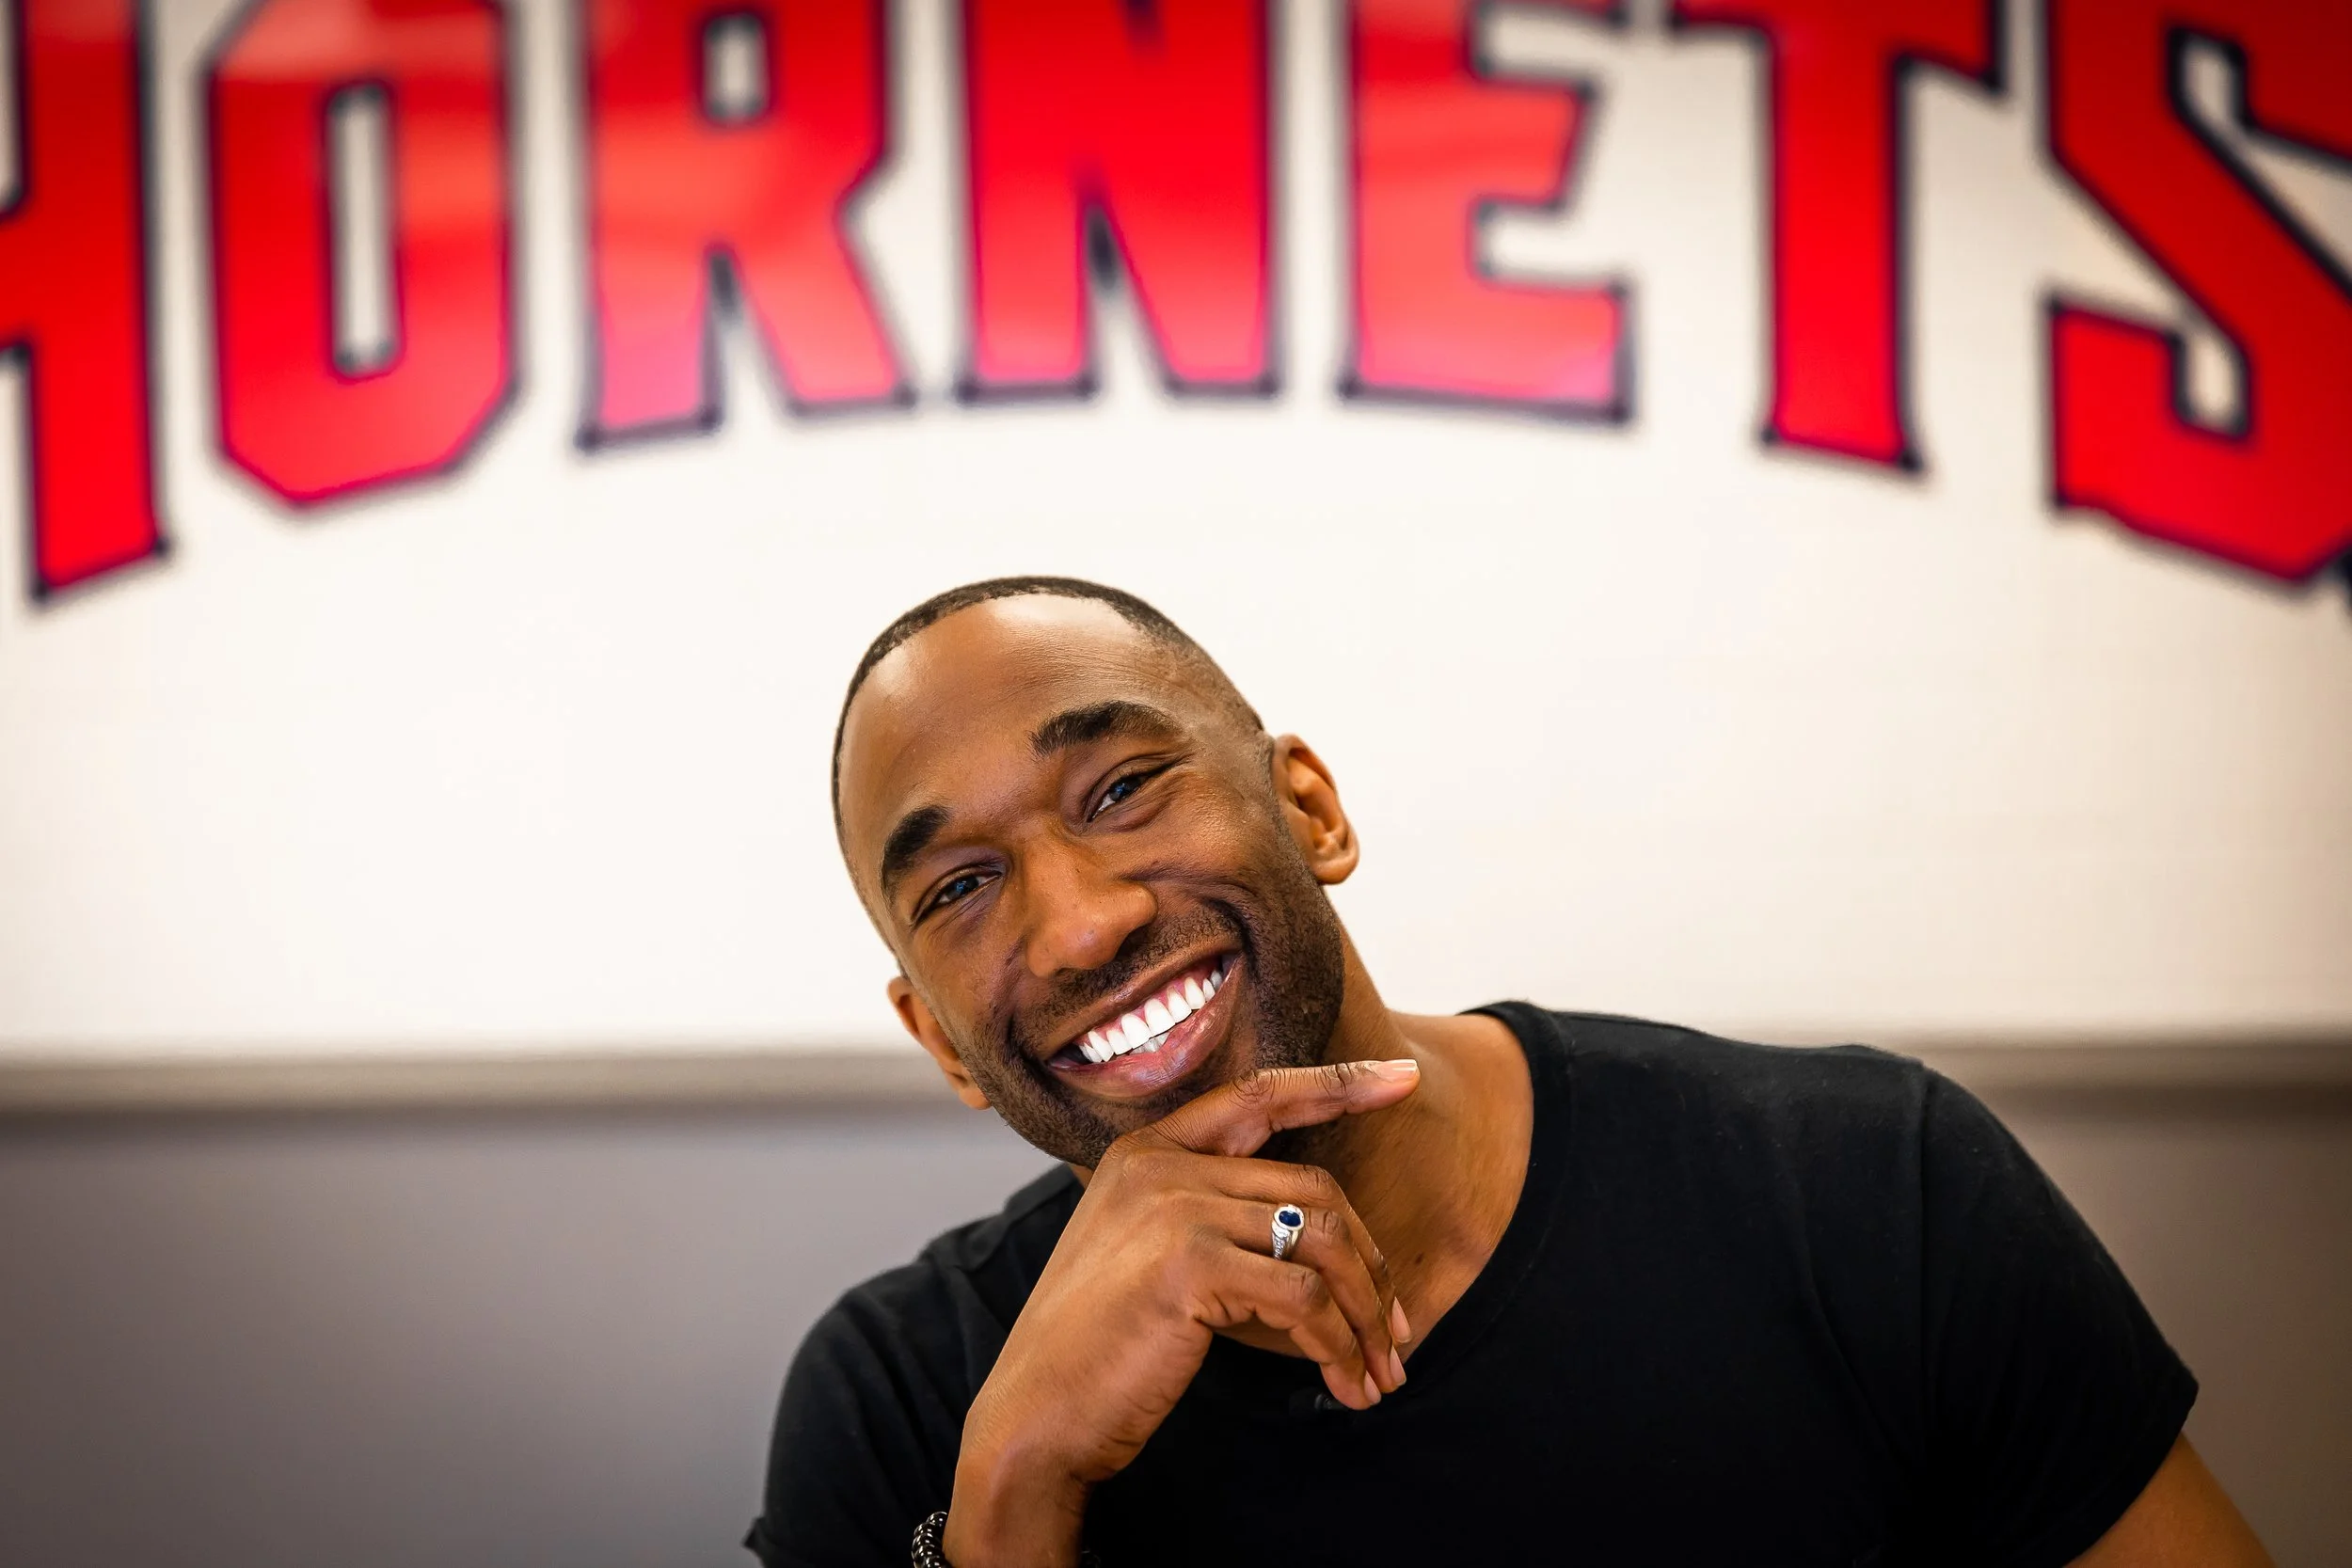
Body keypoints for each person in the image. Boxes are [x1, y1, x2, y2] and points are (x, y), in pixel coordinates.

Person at [748, 576, 2268, 1568]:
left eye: (1126, 786)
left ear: (1311, 812)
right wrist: (1018, 1496)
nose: (1080, 920)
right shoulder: (905, 1408)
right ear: (940, 1037)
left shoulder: (1870, 1192)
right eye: (958, 887)